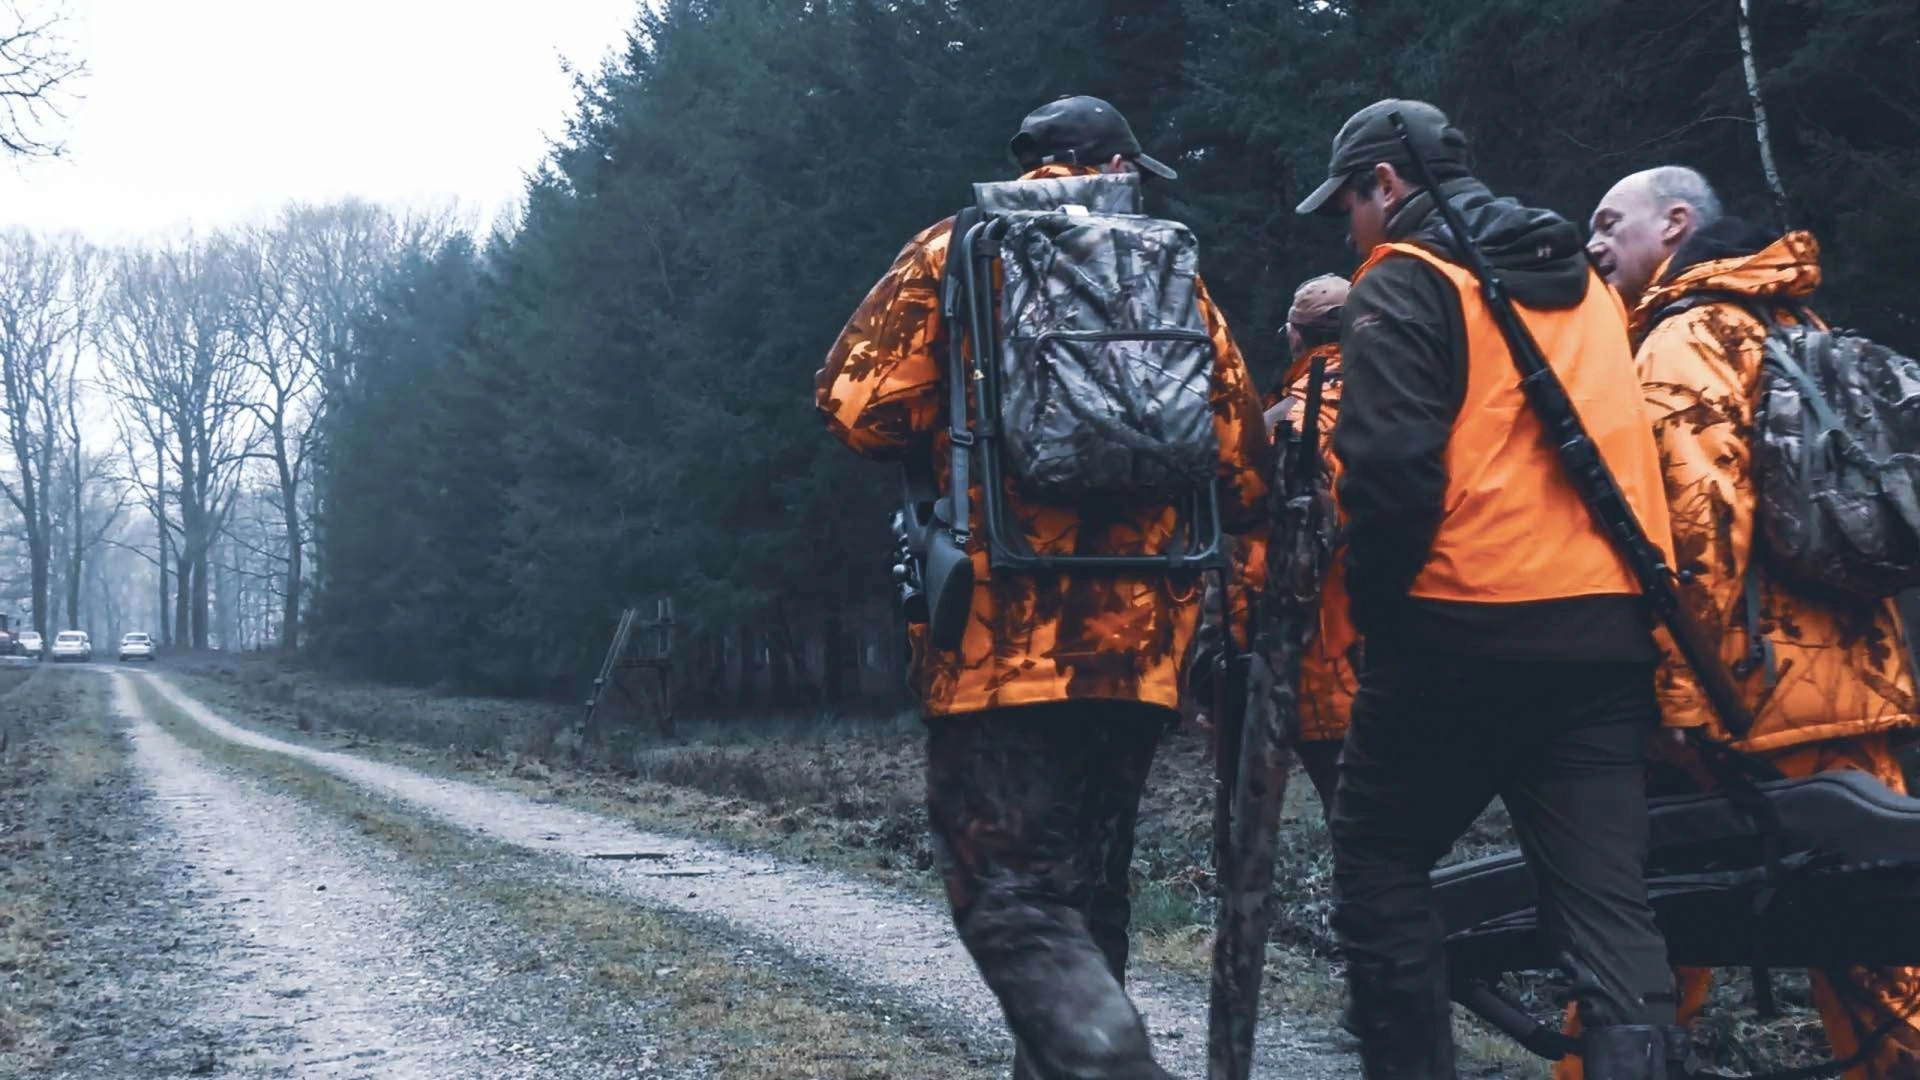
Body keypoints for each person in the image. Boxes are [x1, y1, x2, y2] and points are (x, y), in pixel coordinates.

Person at [816, 94, 1270, 1080]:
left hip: (1000, 640)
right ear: (1116, 162)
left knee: (1014, 901)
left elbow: (853, 406)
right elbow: (1243, 462)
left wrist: (964, 426)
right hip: (1140, 644)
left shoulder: (955, 250)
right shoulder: (1167, 269)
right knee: (1088, 896)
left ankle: (1118, 1068)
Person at [1296, 98, 1682, 1077]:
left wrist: (1381, 620)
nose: (1349, 229)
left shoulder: (1403, 281)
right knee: (1607, 908)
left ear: (1386, 184)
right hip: (1605, 637)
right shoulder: (1586, 287)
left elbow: (1386, 475)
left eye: (1348, 203)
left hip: (1460, 630)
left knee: (1378, 863)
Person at [1580, 165, 1920, 1080]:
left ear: (1677, 224)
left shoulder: (1684, 339)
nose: (1594, 245)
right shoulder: (1795, 326)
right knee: (1881, 955)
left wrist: (1680, 699)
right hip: (1854, 682)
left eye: (1611, 224)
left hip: (1745, 696)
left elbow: (1692, 534)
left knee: (1638, 931)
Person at [1266, 273, 1357, 813]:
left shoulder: (1282, 425)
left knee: (1355, 827)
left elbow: (1256, 557)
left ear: (1296, 339)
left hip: (1323, 662)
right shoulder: (1414, 402)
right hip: (1416, 653)